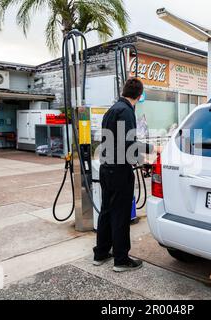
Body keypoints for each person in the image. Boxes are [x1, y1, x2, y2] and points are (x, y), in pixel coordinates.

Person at [93, 78, 156, 272]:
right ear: (139, 95)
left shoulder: (111, 110)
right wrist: (152, 149)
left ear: (124, 91)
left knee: (106, 210)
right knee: (120, 214)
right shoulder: (127, 111)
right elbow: (128, 144)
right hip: (120, 170)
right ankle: (121, 259)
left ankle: (101, 253)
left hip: (106, 168)